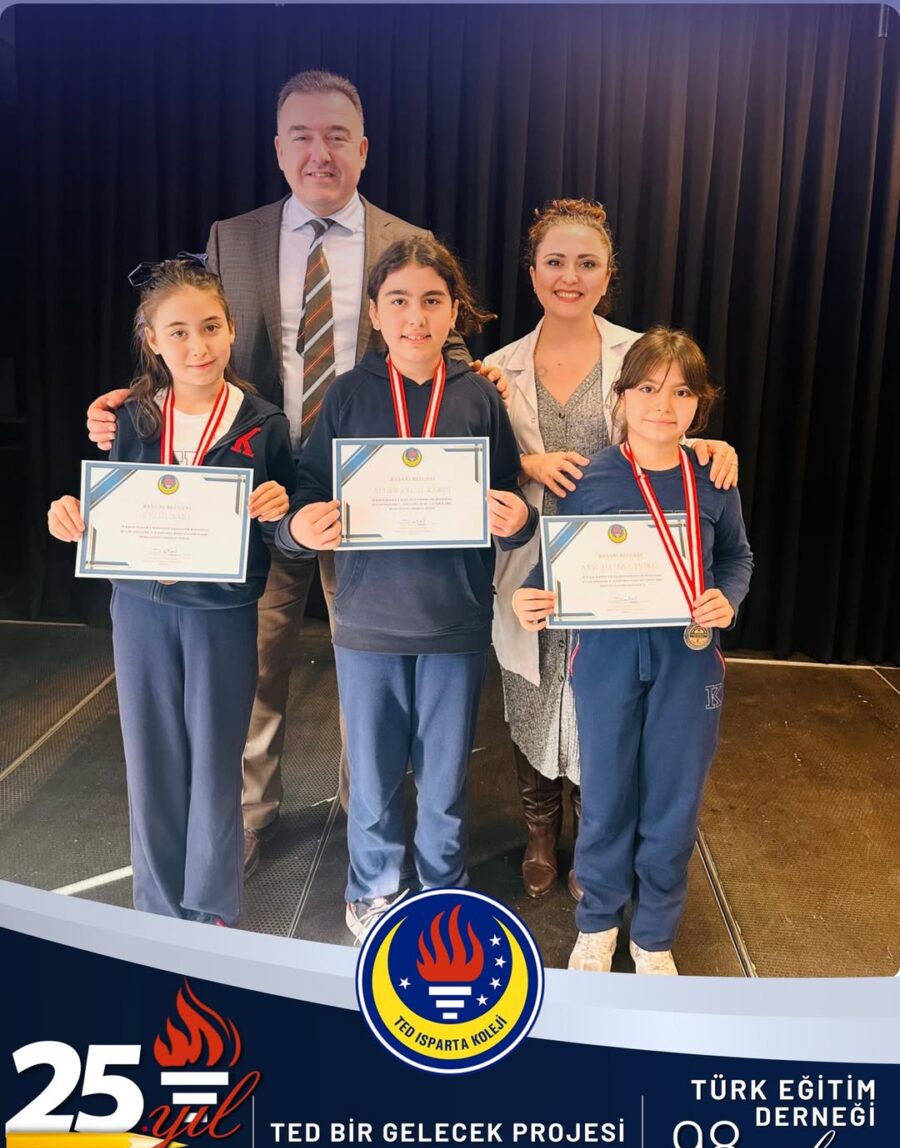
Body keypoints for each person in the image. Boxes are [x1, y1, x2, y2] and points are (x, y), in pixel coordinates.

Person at [84, 70, 503, 880]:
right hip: (261, 490)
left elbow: (440, 347)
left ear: (363, 148)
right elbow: (194, 344)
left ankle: (365, 816)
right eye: (303, 136)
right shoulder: (232, 238)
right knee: (255, 663)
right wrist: (128, 404)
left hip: (378, 500)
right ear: (279, 149)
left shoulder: (404, 238)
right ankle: (248, 816)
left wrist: (481, 377)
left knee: (373, 671)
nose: (321, 152)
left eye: (337, 136)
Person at [275, 236, 538, 940]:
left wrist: (518, 521)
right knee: (373, 773)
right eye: (398, 301)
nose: (415, 317)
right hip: (367, 623)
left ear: (454, 311)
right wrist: (302, 526)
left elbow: (507, 497)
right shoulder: (346, 396)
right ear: (373, 311)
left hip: (455, 622)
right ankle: (372, 887)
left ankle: (444, 883)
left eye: (431, 300)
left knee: (446, 777)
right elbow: (306, 492)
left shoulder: (479, 398)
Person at [487, 199, 739, 901]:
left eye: (587, 263)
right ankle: (541, 834)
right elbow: (471, 466)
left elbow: (663, 425)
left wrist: (709, 445)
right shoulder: (496, 369)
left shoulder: (640, 354)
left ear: (608, 275)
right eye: (555, 262)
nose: (570, 276)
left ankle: (596, 844)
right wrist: (527, 466)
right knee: (534, 693)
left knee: (604, 712)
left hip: (626, 573)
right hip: (533, 562)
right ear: (533, 271)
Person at [48, 257, 295, 926]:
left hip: (222, 613)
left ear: (232, 329)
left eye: (210, 327)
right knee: (151, 762)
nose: (198, 346)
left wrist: (280, 509)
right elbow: (110, 507)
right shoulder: (130, 418)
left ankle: (212, 908)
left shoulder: (263, 423)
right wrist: (70, 514)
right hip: (141, 611)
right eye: (178, 332)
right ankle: (156, 913)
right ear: (152, 340)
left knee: (216, 764)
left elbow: (288, 523)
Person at [513, 327, 753, 974]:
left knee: (674, 803)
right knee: (606, 796)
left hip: (688, 664)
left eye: (681, 392)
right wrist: (531, 598)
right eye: (648, 388)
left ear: (700, 403)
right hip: (605, 665)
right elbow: (552, 570)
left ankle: (653, 935)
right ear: (621, 396)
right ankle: (597, 924)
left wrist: (728, 598)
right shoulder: (589, 479)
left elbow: (737, 556)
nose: (663, 405)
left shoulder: (714, 478)